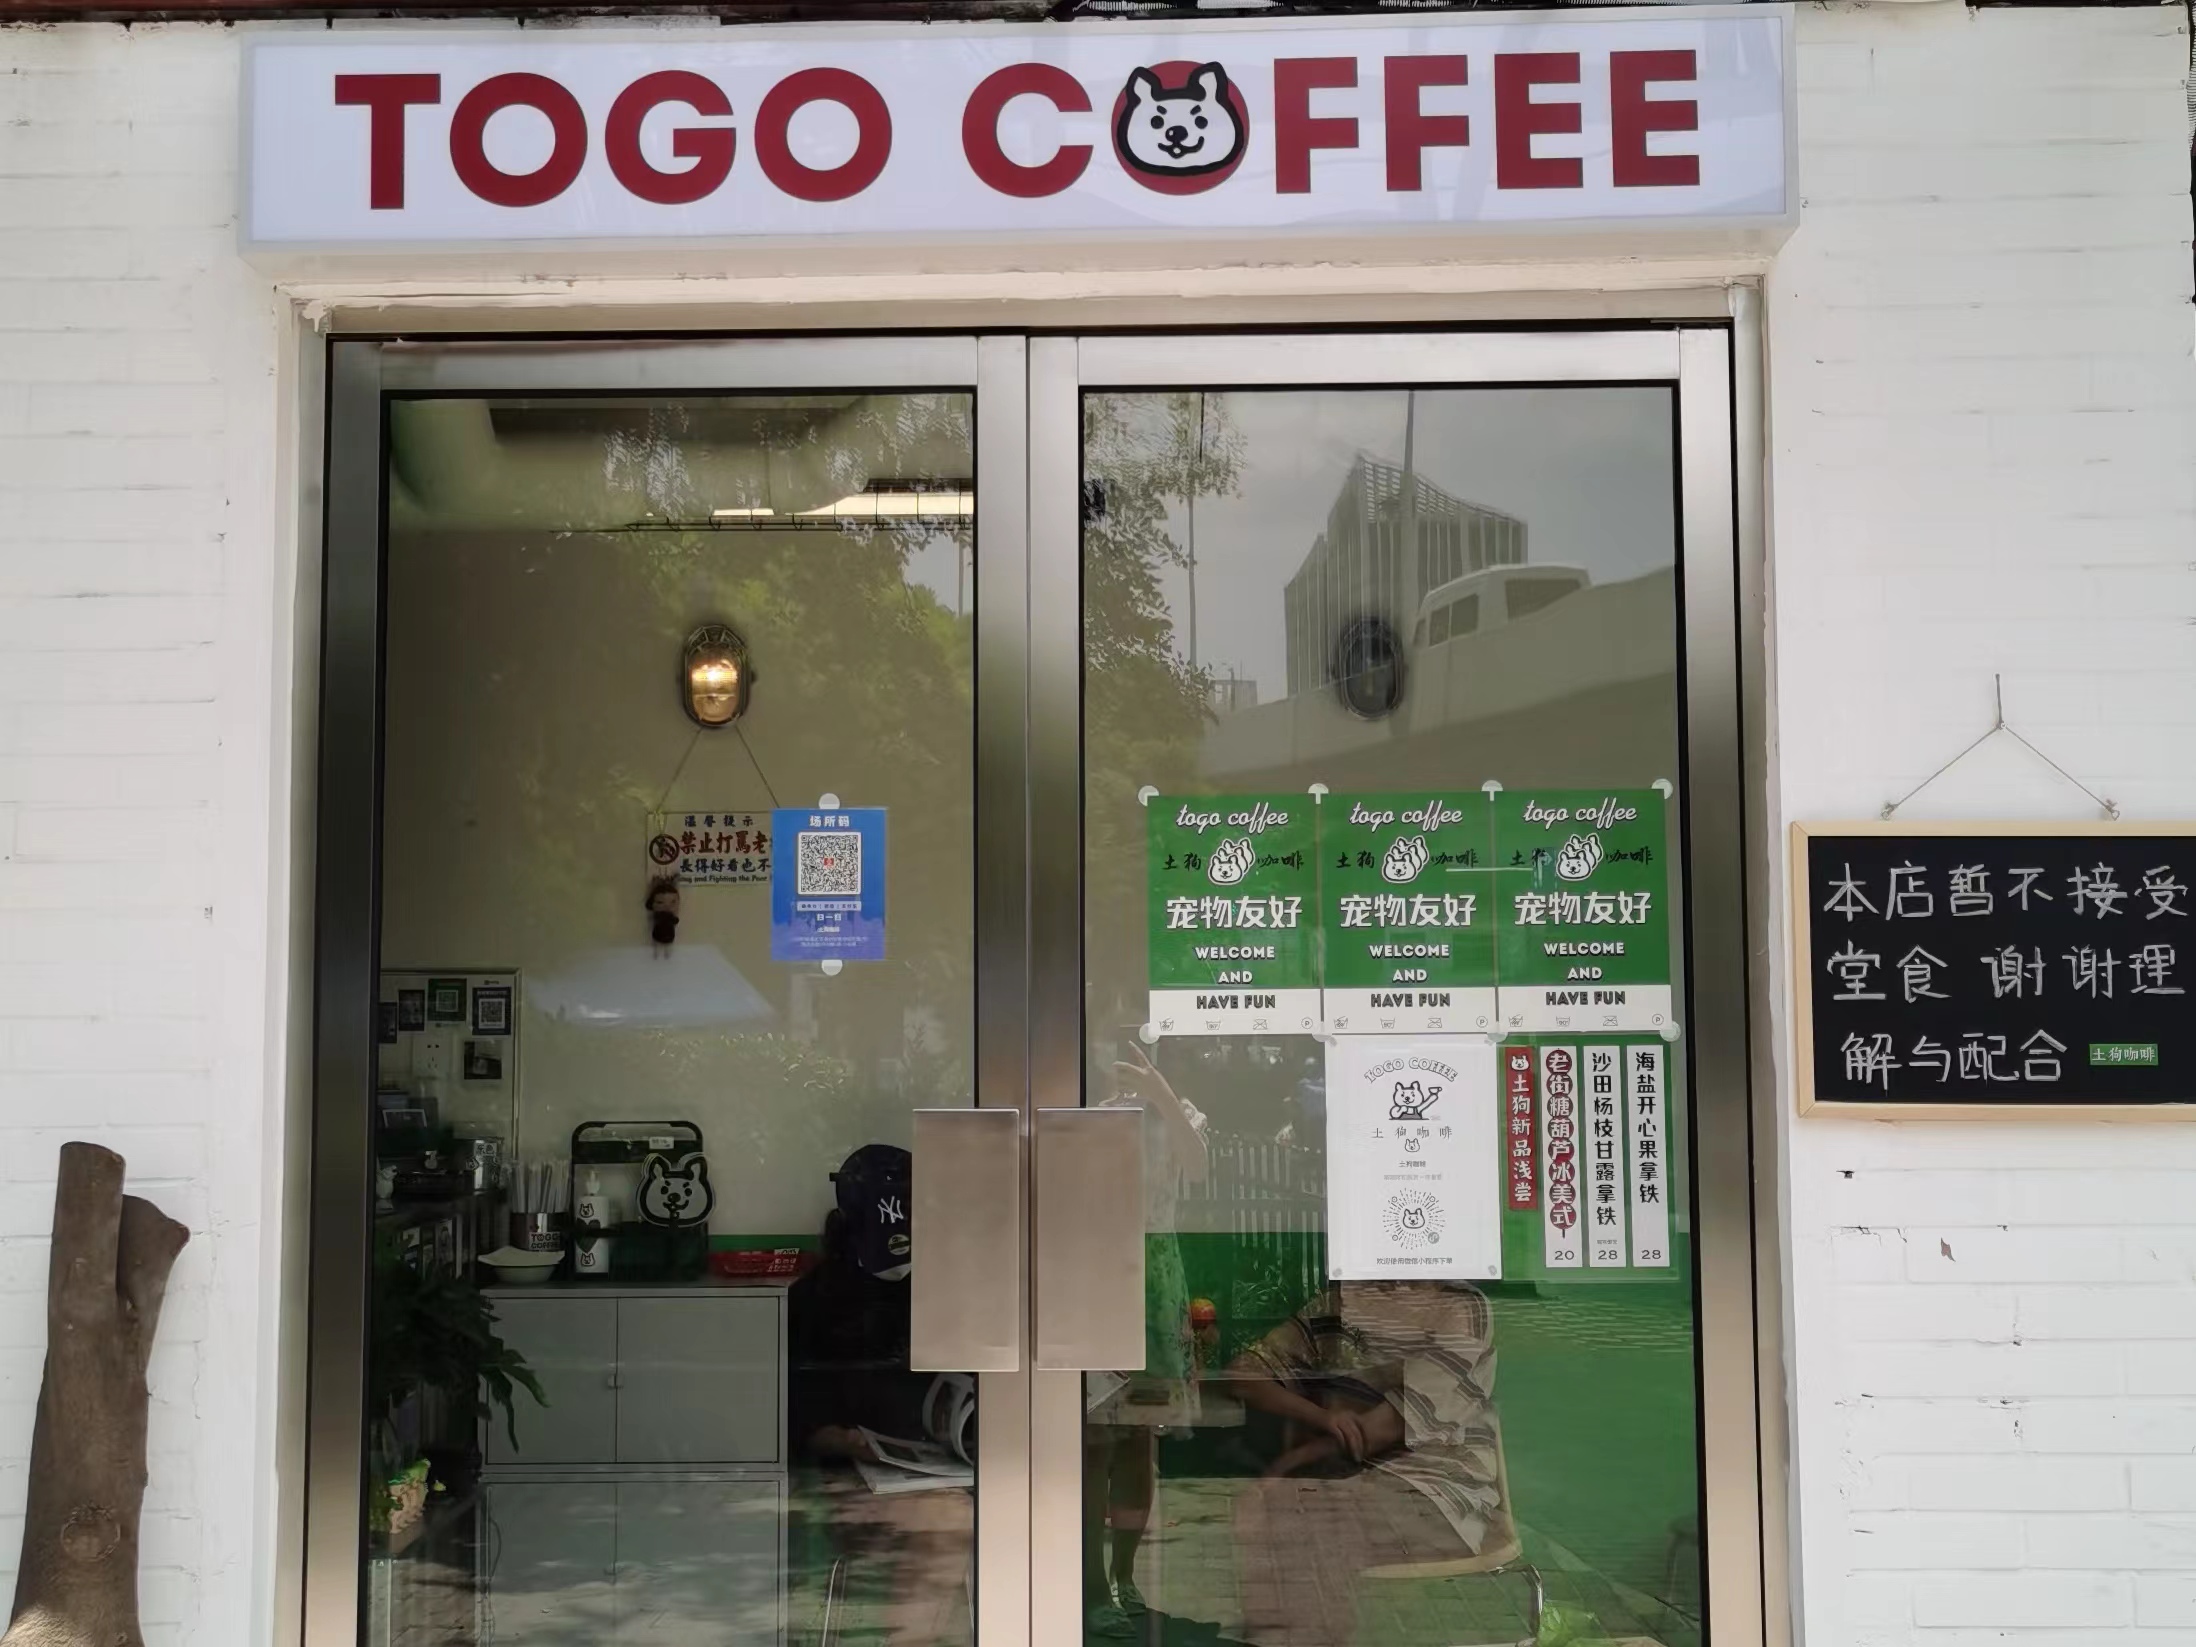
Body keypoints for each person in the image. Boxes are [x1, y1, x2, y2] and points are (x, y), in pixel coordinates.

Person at [1223, 1280, 1513, 1647]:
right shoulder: (1339, 1303)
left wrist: (1284, 1467)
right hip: (1338, 1479)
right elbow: (1243, 1373)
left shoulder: (1459, 1307)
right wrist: (1320, 1416)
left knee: (1312, 1520)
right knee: (1270, 1513)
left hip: (1433, 1488)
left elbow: (1375, 1432)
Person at [1084, 1040, 1209, 1637]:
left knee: (1137, 1436)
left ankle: (1125, 1577)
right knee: (1094, 1439)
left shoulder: (1182, 1113)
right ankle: (1089, 1586)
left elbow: (1199, 1167)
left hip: (1155, 1273)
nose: (1134, 1062)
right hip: (1097, 1268)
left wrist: (1160, 1094)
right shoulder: (1090, 1115)